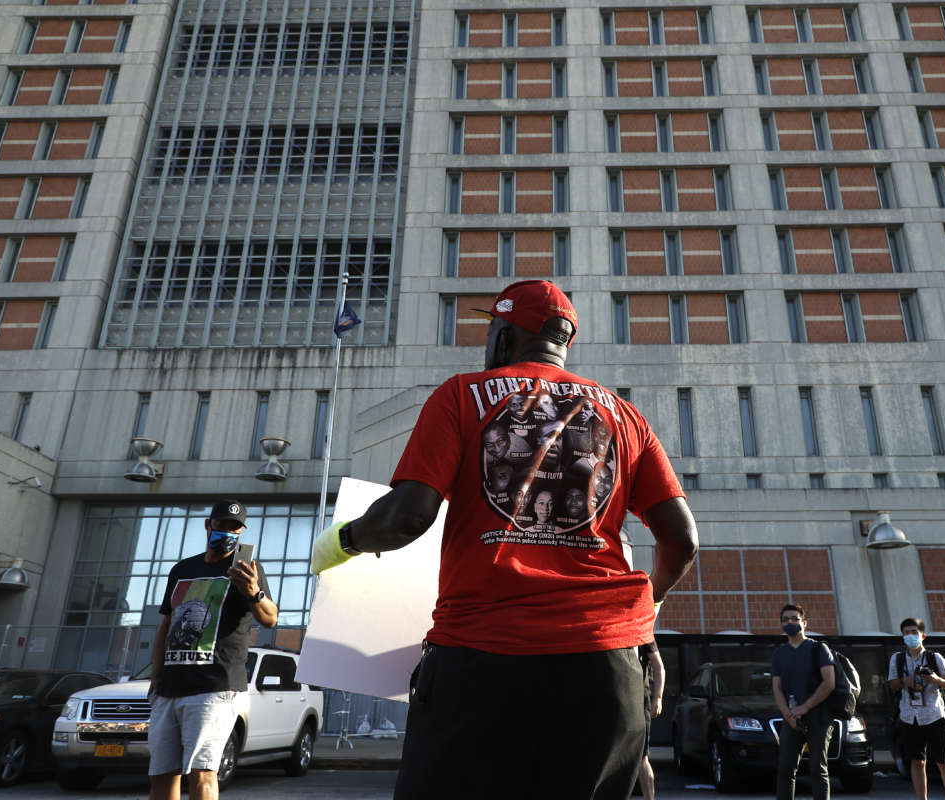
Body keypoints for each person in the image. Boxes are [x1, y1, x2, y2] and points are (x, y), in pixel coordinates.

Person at [310, 279, 699, 800]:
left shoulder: (460, 394)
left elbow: (407, 517)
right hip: (604, 669)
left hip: (482, 661)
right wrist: (640, 620)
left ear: (504, 336)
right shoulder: (626, 417)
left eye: (491, 325)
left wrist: (343, 541)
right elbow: (682, 540)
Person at [148, 500, 278, 800]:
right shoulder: (182, 569)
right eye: (222, 525)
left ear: (242, 531)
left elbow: (270, 618)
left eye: (235, 528)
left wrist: (253, 592)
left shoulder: (248, 572)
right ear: (209, 525)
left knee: (202, 774)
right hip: (169, 687)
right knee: (161, 776)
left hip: (214, 686)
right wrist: (155, 678)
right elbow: (165, 626)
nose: (227, 533)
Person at [887, 617, 945, 800]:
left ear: (923, 635)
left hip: (934, 715)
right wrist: (906, 681)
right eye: (906, 633)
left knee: (944, 762)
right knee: (917, 761)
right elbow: (892, 684)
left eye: (914, 632)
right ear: (902, 636)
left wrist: (936, 680)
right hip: (909, 716)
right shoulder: (897, 659)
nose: (910, 636)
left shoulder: (935, 657)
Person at [771, 603, 836, 800]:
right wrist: (788, 714)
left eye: (794, 619)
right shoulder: (779, 654)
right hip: (792, 720)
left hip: (819, 718)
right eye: (785, 620)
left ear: (804, 623)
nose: (789, 623)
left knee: (818, 769)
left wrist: (805, 707)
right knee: (785, 770)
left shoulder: (819, 649)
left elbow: (829, 682)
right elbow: (777, 688)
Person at [635, 640, 665, 800]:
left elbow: (659, 666)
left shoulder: (642, 634)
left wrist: (658, 698)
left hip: (641, 700)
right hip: (619, 699)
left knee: (642, 757)